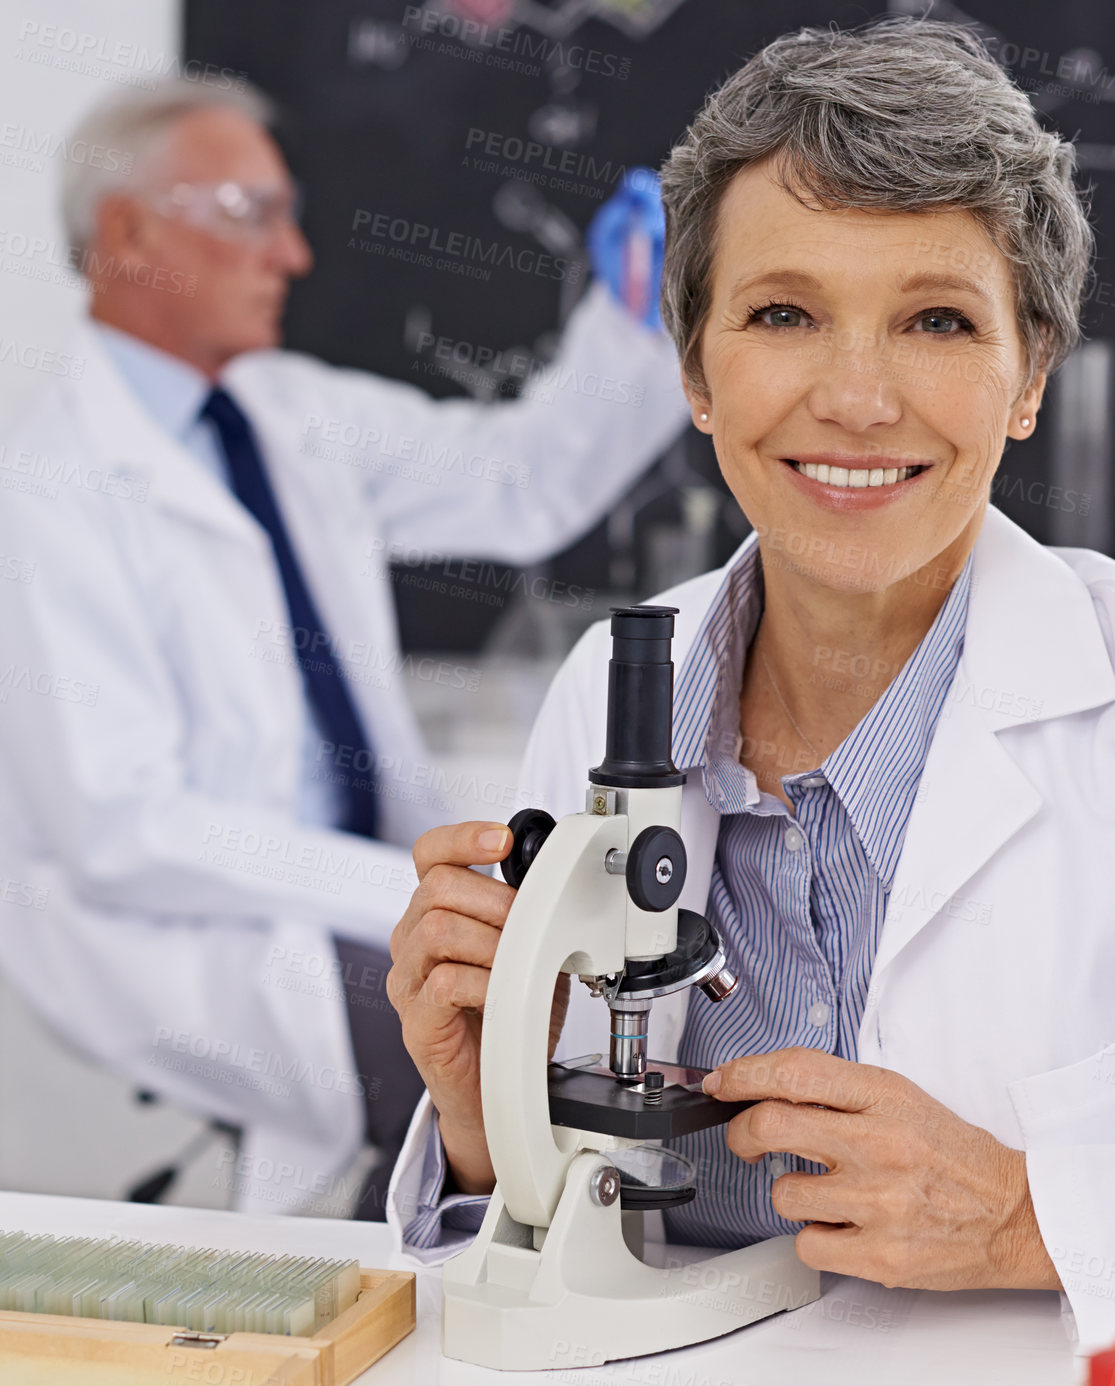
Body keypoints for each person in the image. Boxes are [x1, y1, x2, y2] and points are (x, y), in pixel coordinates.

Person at [384, 17, 1115, 1345]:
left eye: (936, 320)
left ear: (1029, 374)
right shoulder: (617, 682)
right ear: (694, 371)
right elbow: (555, 1254)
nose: (858, 397)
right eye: (782, 313)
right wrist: (490, 1127)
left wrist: (1033, 1217)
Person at [0, 79, 690, 1219]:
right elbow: (121, 830)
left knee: (504, 1057)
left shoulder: (287, 410)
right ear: (126, 233)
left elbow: (521, 487)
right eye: (249, 211)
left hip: (334, 900)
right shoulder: (48, 492)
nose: (294, 253)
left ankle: (402, 1275)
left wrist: (629, 321)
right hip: (176, 934)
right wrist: (393, 890)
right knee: (503, 1056)